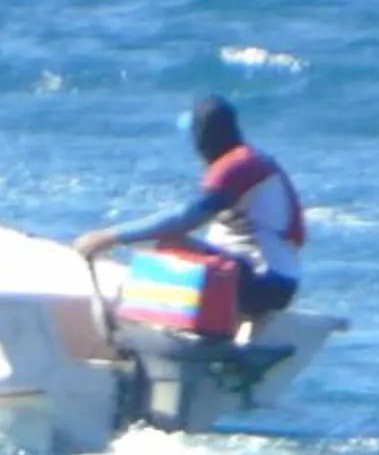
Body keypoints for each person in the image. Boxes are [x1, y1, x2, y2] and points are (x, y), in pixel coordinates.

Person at [71, 95, 306, 317]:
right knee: (179, 243)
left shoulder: (239, 167)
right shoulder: (249, 161)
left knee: (166, 242)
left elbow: (184, 220)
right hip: (274, 279)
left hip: (265, 284)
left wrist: (108, 236)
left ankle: (162, 326)